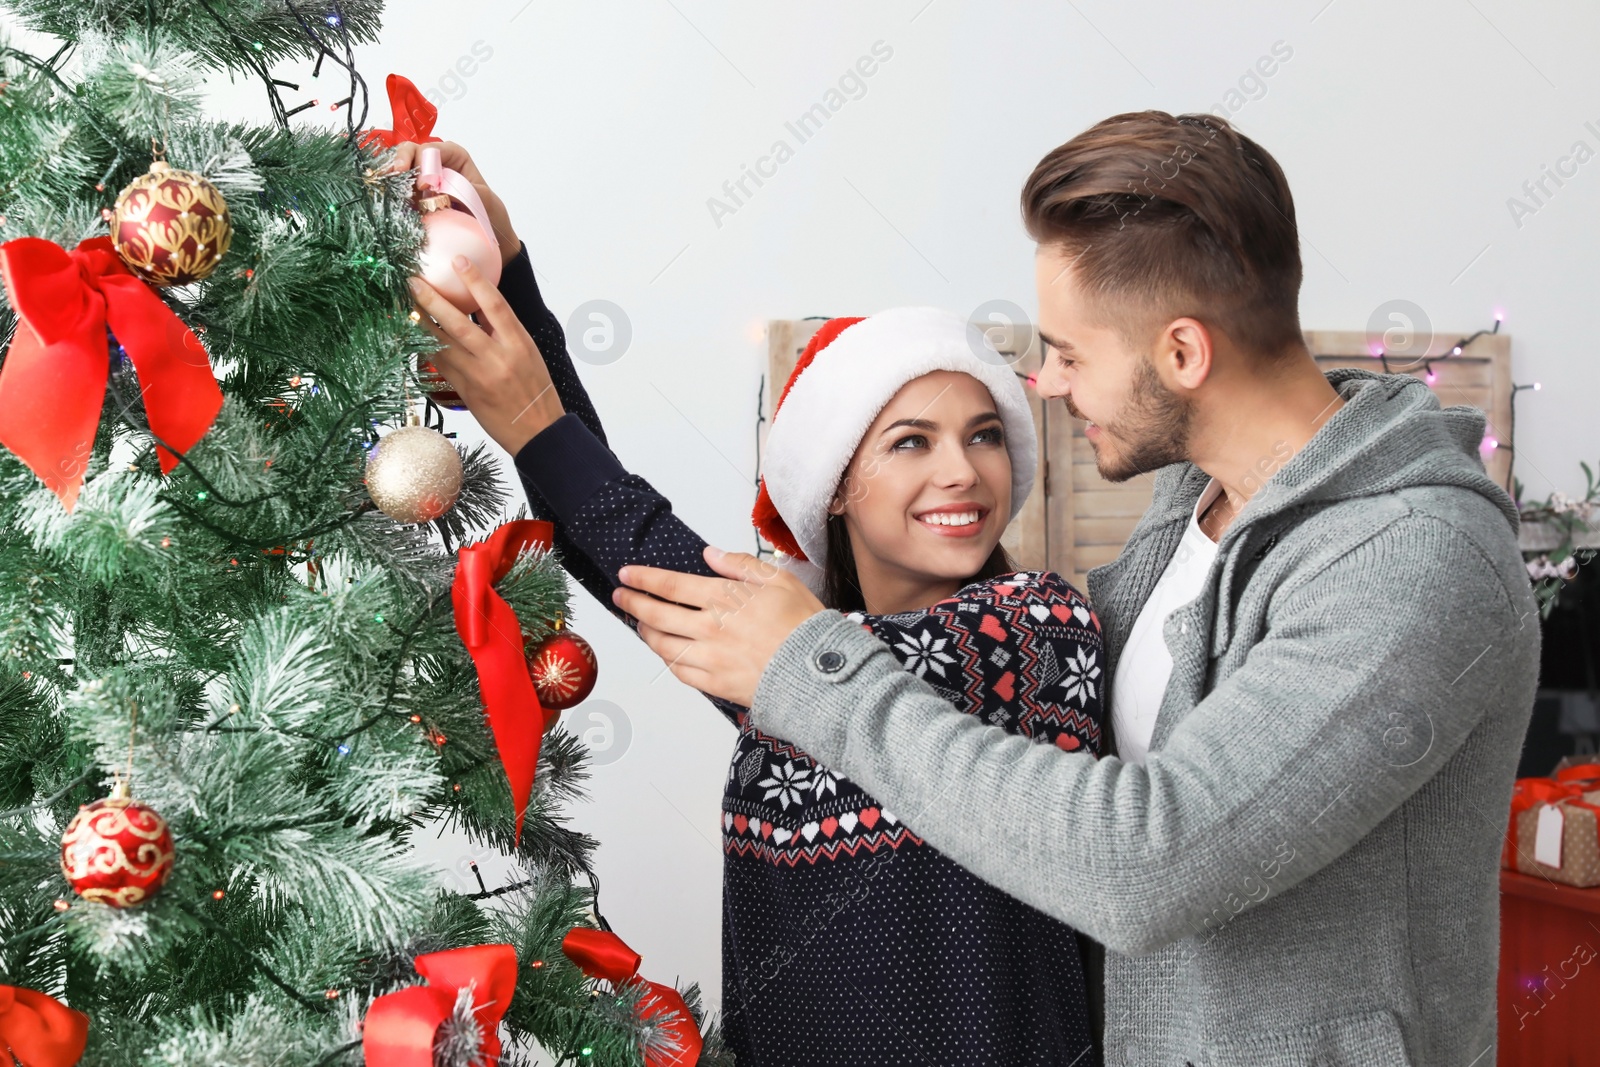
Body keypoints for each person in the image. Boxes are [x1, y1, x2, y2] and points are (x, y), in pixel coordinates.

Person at [608, 112, 1543, 1067]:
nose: (1045, 386)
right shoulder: (1194, 502)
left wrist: (818, 674)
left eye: (1069, 352)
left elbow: (1150, 860)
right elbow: (955, 664)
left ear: (1182, 354)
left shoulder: (1415, 560)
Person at [395, 142, 1106, 1065]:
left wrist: (535, 419)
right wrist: (512, 274)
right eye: (910, 443)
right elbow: (621, 551)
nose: (960, 470)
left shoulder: (1043, 633)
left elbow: (646, 548)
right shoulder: (794, 644)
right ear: (835, 486)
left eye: (982, 436)